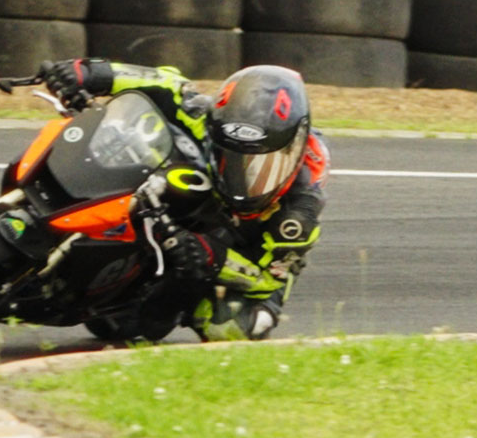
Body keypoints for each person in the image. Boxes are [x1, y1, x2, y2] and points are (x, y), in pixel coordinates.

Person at [39, 58, 329, 342]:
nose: (246, 179)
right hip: (208, 194)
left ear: (295, 152)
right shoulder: (206, 116)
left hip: (245, 250)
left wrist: (210, 255)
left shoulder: (299, 211)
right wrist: (89, 73)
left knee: (233, 326)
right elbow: (165, 81)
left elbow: (265, 279)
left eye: (263, 167)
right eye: (231, 156)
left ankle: (165, 305)